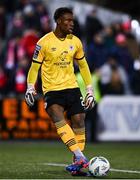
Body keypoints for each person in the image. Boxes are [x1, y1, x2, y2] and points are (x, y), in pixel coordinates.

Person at [25, 7, 95, 176]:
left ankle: (77, 164)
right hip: (52, 90)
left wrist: (89, 90)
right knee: (58, 117)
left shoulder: (76, 41)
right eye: (67, 20)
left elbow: (83, 66)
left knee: (79, 121)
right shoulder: (44, 42)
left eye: (72, 20)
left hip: (71, 87)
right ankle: (80, 157)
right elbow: (34, 68)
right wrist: (30, 87)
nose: (72, 23)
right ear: (58, 21)